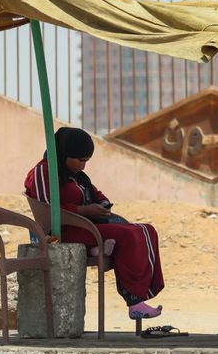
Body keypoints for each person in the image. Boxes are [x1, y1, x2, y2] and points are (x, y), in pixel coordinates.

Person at [24, 126, 165, 320]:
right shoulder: (43, 171)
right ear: (65, 153)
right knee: (129, 235)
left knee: (147, 230)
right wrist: (83, 210)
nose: (83, 166)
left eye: (86, 161)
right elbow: (49, 210)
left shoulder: (75, 175)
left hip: (86, 225)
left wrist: (102, 205)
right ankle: (134, 301)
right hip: (63, 231)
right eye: (80, 160)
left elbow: (96, 193)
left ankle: (142, 290)